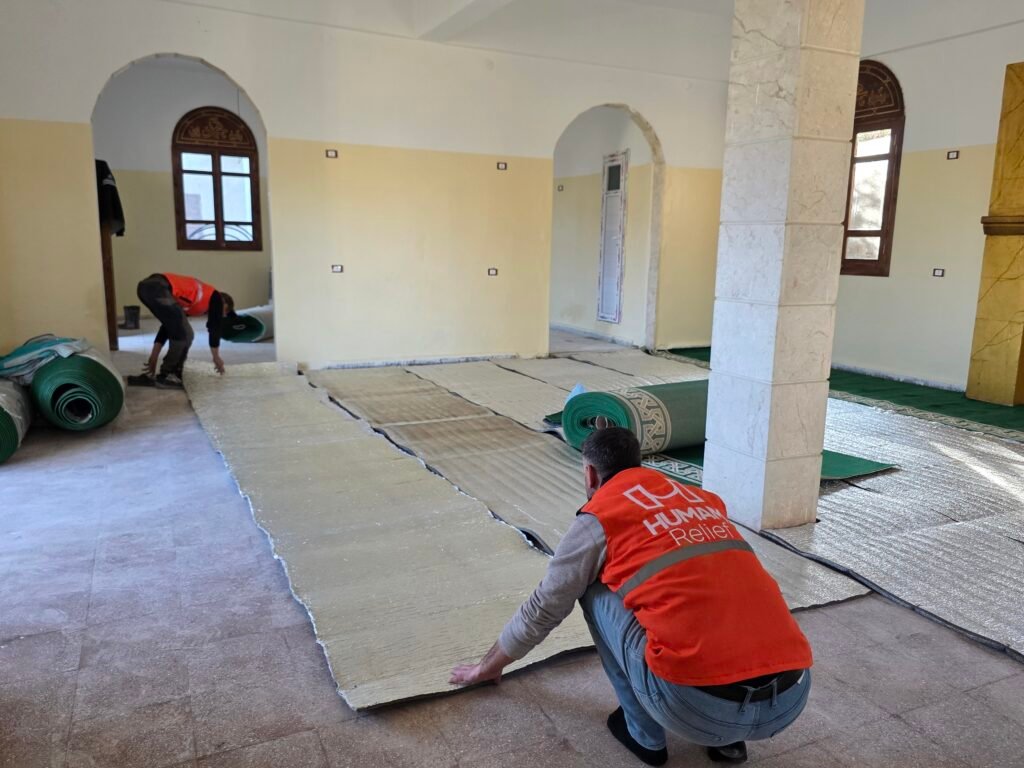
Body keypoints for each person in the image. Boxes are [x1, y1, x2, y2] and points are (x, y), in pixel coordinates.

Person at [450, 427, 813, 766]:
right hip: (790, 700)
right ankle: (728, 743)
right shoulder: (701, 499)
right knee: (718, 582)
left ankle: (644, 737)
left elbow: (545, 606)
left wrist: (489, 664)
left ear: (590, 474)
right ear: (639, 463)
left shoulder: (601, 516)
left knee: (590, 586)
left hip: (697, 711)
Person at [127, 273, 233, 389]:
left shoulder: (191, 301)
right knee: (186, 335)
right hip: (158, 287)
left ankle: (171, 373)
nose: (220, 315)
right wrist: (216, 357)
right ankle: (168, 375)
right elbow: (214, 327)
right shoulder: (216, 297)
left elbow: (168, 326)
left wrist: (154, 355)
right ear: (223, 302)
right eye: (223, 311)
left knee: (181, 331)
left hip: (146, 288)